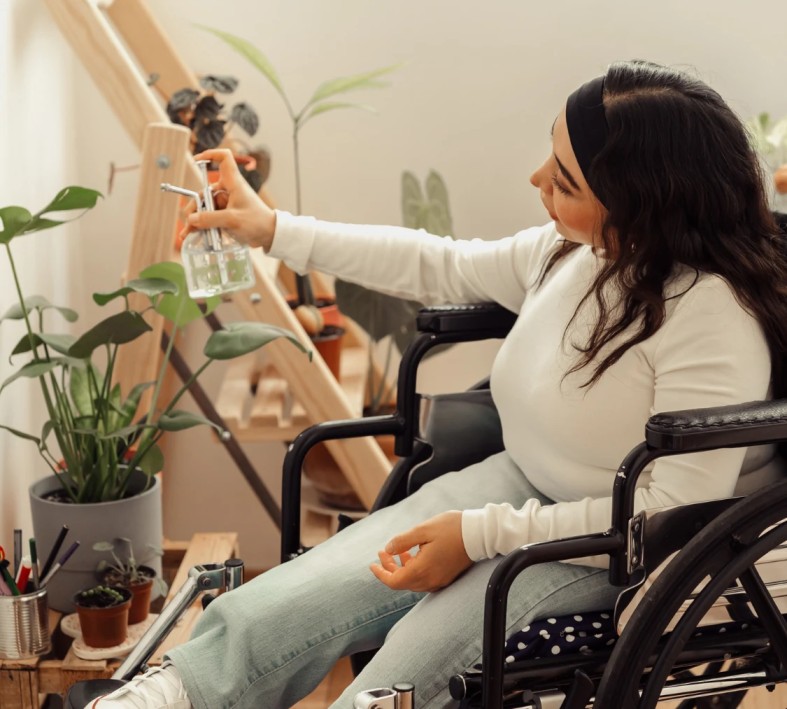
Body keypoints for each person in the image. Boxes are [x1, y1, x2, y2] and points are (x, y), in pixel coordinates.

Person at [90, 59, 787, 708]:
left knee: (414, 662)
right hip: (520, 482)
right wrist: (271, 228)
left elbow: (665, 510)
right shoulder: (577, 252)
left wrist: (479, 536)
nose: (536, 179)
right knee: (306, 594)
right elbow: (436, 261)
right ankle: (174, 692)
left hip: (623, 544)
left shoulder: (711, 317)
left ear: (639, 206)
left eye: (565, 180)